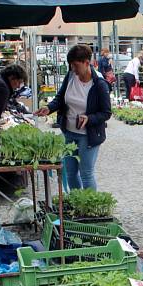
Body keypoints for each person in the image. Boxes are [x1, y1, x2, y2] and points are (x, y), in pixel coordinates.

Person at [36, 44, 111, 190]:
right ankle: (77, 204)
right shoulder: (71, 76)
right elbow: (60, 98)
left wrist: (89, 118)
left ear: (86, 63)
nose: (73, 69)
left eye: (76, 65)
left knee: (86, 173)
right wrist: (49, 108)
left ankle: (89, 209)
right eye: (71, 65)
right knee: (70, 173)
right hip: (69, 132)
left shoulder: (99, 84)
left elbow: (106, 113)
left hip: (88, 136)